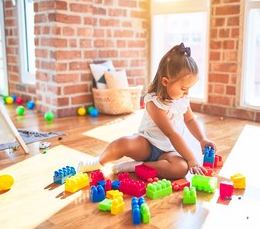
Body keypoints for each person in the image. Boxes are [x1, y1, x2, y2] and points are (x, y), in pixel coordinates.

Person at [78, 42, 217, 180]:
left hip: (168, 151)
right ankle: (98, 161)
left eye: (189, 88)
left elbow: (190, 120)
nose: (187, 93)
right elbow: (171, 133)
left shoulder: (182, 100)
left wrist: (202, 139)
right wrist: (191, 158)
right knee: (123, 143)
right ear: (165, 81)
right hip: (147, 144)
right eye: (183, 88)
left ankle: (137, 166)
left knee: (180, 168)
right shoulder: (153, 102)